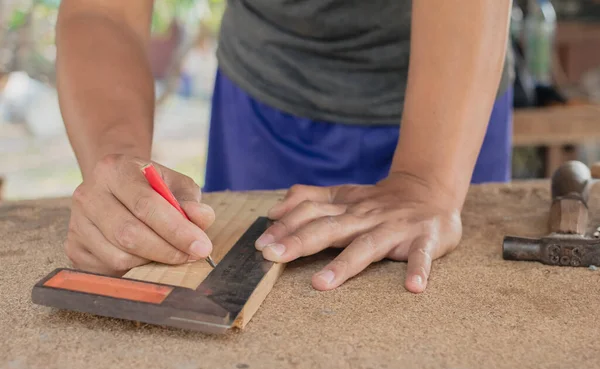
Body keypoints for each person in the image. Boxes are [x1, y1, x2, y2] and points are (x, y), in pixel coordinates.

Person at [57, 0, 513, 294]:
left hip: (454, 99)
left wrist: (427, 181)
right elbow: (102, 12)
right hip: (264, 102)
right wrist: (117, 165)